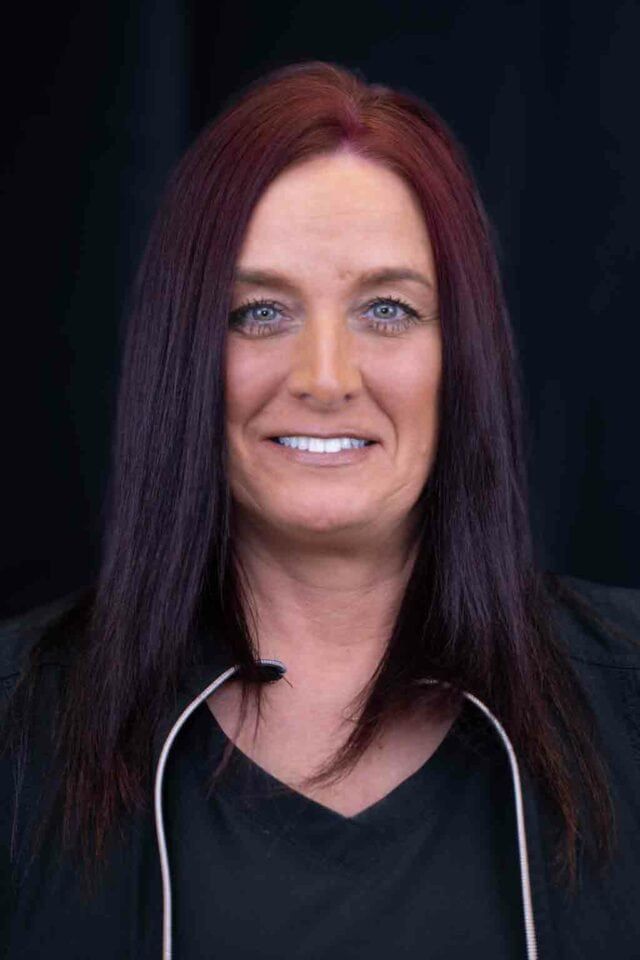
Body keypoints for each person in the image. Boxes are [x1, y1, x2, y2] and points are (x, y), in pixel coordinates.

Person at [1, 60, 639, 960]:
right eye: (259, 312)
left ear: (465, 358)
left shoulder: (629, 697)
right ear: (183, 353)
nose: (327, 379)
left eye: (386, 308)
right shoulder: (15, 726)